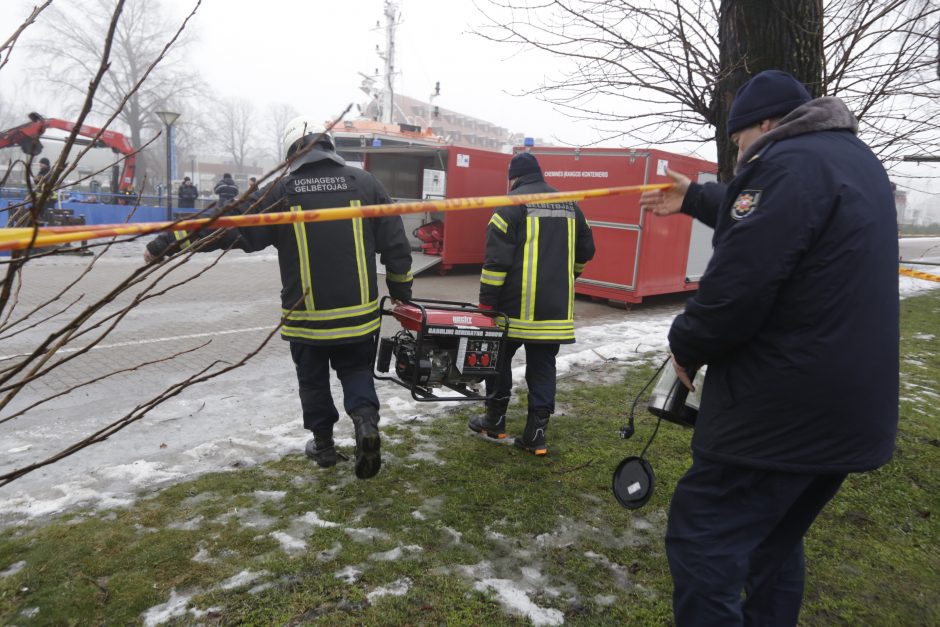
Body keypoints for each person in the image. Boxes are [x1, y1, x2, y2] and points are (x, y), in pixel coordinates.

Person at [638, 70, 899, 626]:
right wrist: (695, 198)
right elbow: (776, 223)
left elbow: (737, 288)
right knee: (772, 546)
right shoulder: (853, 162)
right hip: (844, 411)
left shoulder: (785, 165)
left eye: (738, 143)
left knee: (703, 542)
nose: (738, 156)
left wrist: (685, 344)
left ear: (762, 123)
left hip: (778, 412)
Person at [144, 115, 413, 480]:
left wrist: (165, 244)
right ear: (330, 146)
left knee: (313, 381)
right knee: (355, 371)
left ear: (290, 154)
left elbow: (227, 222)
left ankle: (324, 445)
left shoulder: (281, 192)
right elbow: (396, 246)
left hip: (307, 320)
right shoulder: (366, 184)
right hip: (359, 317)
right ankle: (366, 423)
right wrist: (401, 292)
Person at [469, 152, 595, 455]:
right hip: (554, 313)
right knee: (543, 368)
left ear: (514, 178)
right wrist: (570, 279)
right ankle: (536, 435)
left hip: (513, 312)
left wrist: (487, 306)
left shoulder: (510, 207)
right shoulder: (570, 206)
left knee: (498, 363)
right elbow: (586, 251)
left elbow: (496, 265)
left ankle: (494, 421)